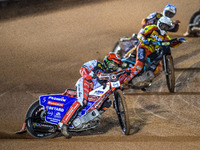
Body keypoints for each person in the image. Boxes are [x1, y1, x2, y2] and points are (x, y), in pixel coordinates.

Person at [58, 52, 122, 136]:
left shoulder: (111, 76)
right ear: (106, 61)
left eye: (115, 65)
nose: (113, 67)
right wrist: (86, 76)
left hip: (94, 94)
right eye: (111, 64)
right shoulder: (96, 63)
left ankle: (87, 120)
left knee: (107, 102)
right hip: (86, 82)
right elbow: (83, 68)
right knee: (82, 101)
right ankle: (64, 124)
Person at [123, 16, 185, 85]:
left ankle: (145, 80)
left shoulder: (165, 36)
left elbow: (171, 44)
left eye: (166, 27)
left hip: (152, 52)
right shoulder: (152, 27)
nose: (164, 28)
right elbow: (140, 34)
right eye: (164, 26)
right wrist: (144, 40)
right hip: (143, 47)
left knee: (158, 69)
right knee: (139, 66)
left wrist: (179, 41)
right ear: (160, 24)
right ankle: (125, 81)